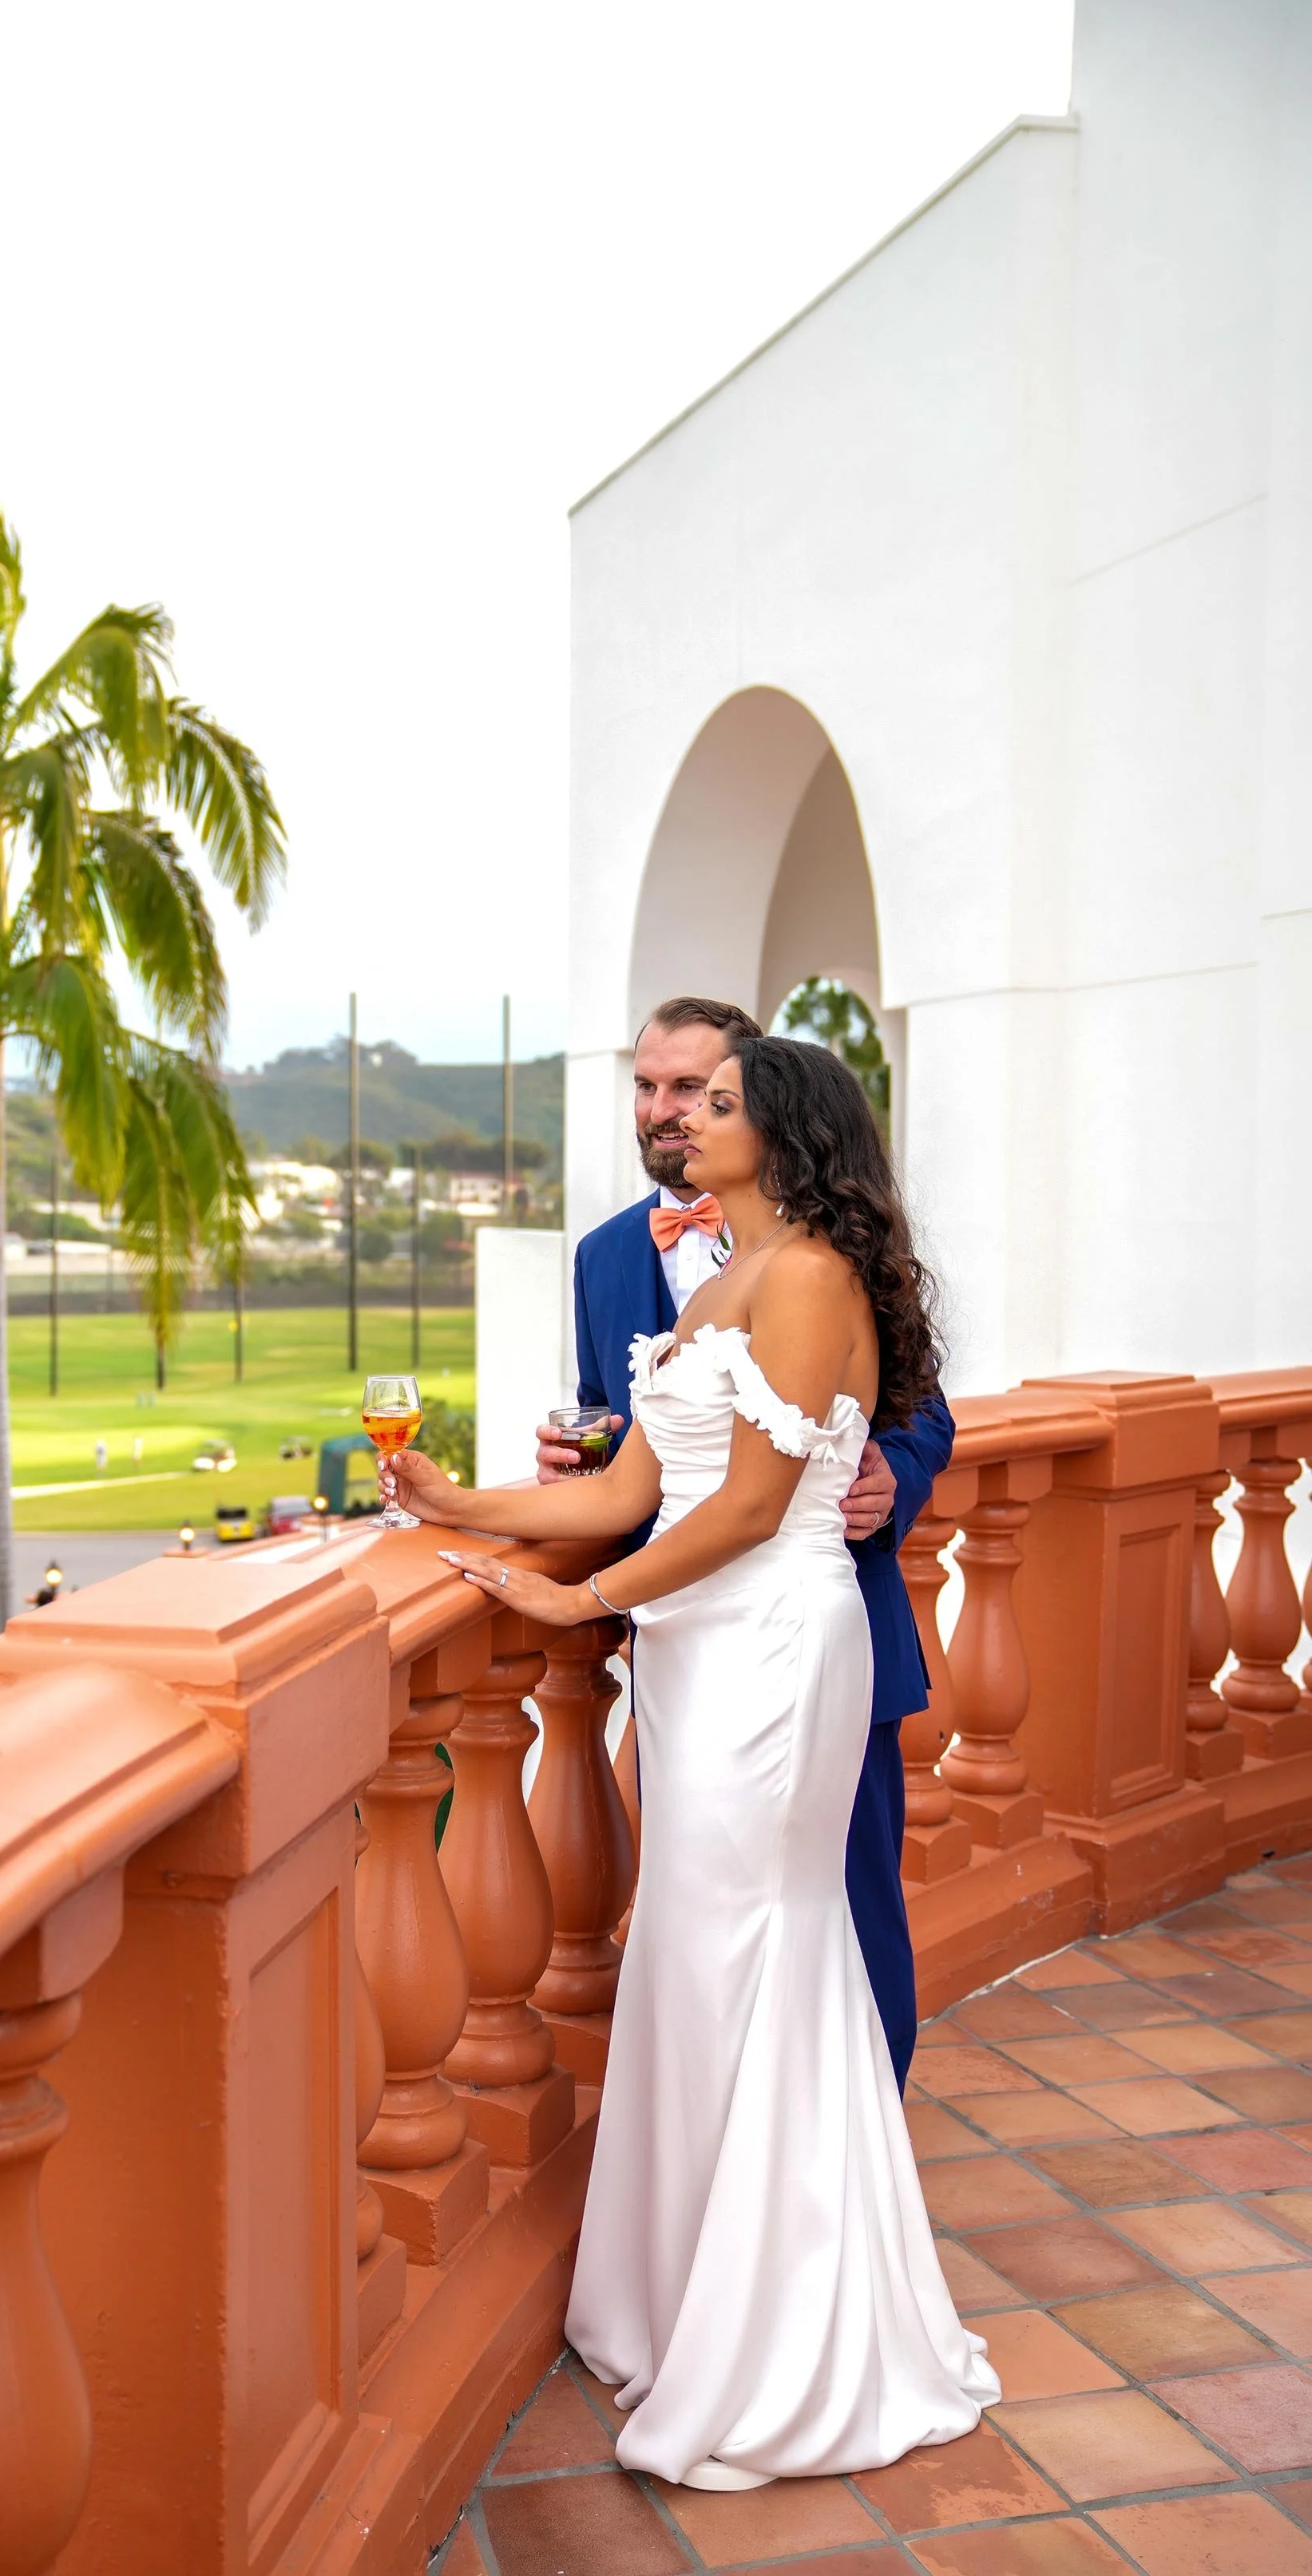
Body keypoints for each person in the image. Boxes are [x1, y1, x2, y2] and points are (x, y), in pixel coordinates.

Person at [393, 1030, 997, 2490]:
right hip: (694, 1662)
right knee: (690, 1953)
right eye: (684, 1100)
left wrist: (576, 1599)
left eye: (718, 1103)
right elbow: (626, 1480)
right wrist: (448, 1498)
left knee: (756, 1954)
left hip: (774, 1649)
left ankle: (786, 2335)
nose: (685, 1121)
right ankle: (686, 2296)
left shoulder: (801, 1276)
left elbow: (743, 1510)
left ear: (780, 1129)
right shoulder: (726, 1271)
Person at [537, 995, 952, 2089]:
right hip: (686, 1642)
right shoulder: (603, 1256)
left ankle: (851, 2186)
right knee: (706, 1926)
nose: (666, 1112)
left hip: (810, 1629)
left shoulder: (828, 1247)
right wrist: (573, 1463)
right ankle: (722, 2183)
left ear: (758, 1097)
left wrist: (887, 1478)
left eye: (695, 1090)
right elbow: (623, 1431)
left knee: (842, 1915)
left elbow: (918, 1409)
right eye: (647, 1086)